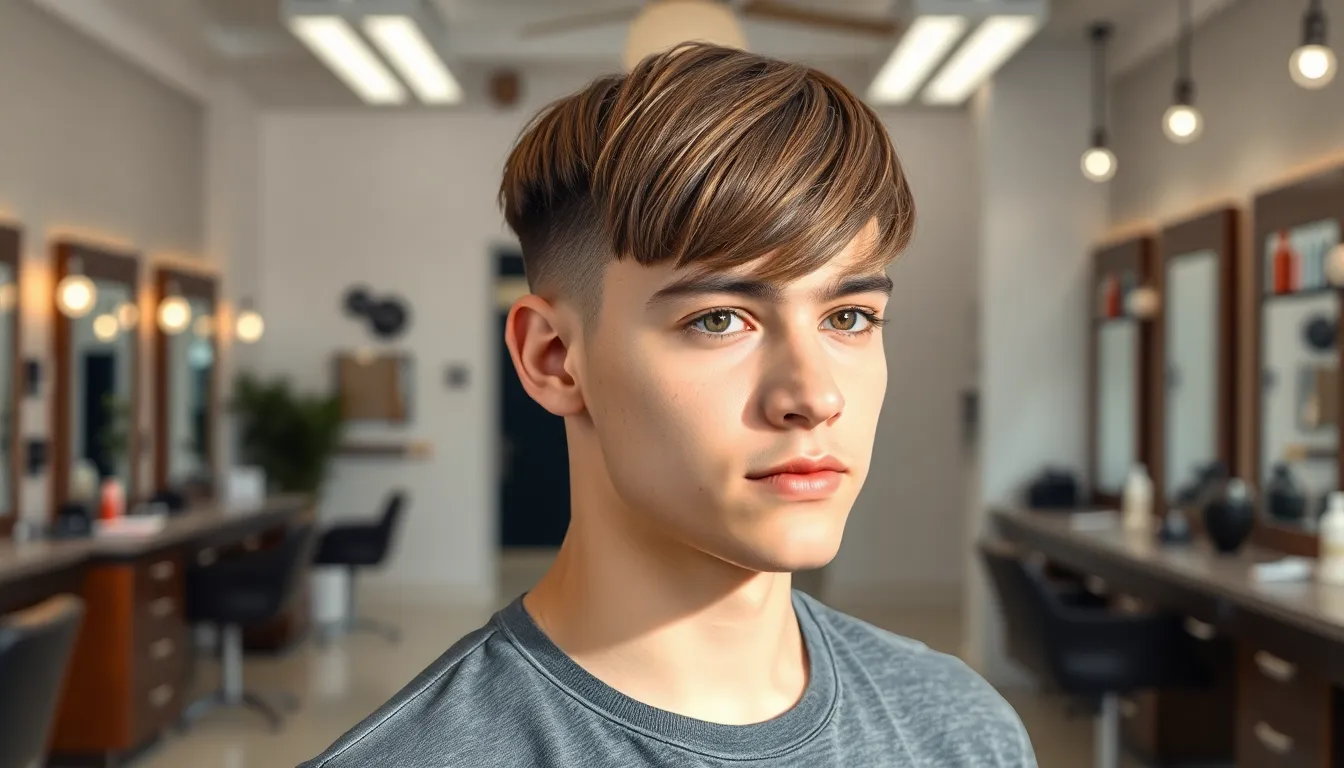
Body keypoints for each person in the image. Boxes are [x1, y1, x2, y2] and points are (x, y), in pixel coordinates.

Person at [299, 43, 1036, 767]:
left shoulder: (964, 730)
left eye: (848, 318)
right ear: (553, 359)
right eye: (719, 320)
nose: (814, 397)